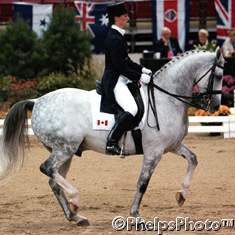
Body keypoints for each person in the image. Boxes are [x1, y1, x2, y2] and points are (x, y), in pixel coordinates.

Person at [100, 1, 152, 155]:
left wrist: (142, 69)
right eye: (124, 16)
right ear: (116, 18)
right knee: (132, 108)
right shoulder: (114, 38)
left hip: (122, 77)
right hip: (115, 80)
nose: (127, 18)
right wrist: (139, 77)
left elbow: (126, 61)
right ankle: (111, 141)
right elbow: (119, 67)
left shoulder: (118, 36)